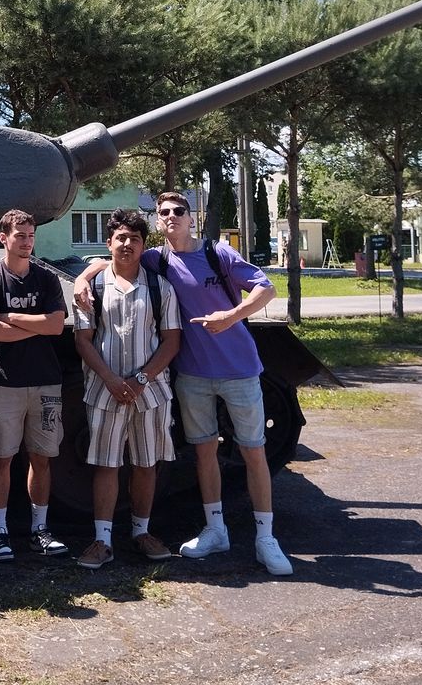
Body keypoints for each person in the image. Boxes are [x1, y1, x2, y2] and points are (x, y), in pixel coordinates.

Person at [75, 192, 291, 575]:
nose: (172, 216)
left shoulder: (218, 253)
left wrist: (232, 316)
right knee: (205, 453)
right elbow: (115, 258)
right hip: (193, 375)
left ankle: (266, 538)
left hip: (238, 368)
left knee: (253, 451)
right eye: (164, 212)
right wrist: (83, 276)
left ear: (191, 218)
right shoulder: (157, 260)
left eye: (179, 210)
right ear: (158, 222)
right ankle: (215, 529)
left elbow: (267, 288)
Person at [71, 210, 180, 569]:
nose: (127, 244)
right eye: (121, 238)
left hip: (150, 392)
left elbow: (171, 341)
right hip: (106, 391)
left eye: (135, 238)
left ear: (143, 245)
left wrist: (141, 379)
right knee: (106, 464)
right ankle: (102, 540)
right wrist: (111, 379)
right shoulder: (92, 288)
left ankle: (141, 532)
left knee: (146, 463)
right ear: (109, 243)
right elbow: (83, 340)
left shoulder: (160, 288)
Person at [0, 209, 70, 562]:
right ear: (4, 238)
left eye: (31, 236)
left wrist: (12, 317)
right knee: (1, 457)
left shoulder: (46, 278)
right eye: (20, 236)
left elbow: (57, 326)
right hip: (6, 382)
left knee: (42, 458)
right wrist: (37, 324)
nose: (27, 242)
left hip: (45, 381)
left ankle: (39, 529)